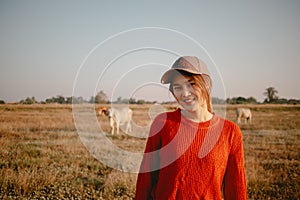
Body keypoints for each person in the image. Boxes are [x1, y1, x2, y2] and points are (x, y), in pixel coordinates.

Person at [135, 56, 247, 199]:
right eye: (178, 87)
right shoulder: (162, 122)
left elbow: (236, 188)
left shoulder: (230, 132)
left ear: (206, 85)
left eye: (191, 84)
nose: (185, 93)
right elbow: (146, 177)